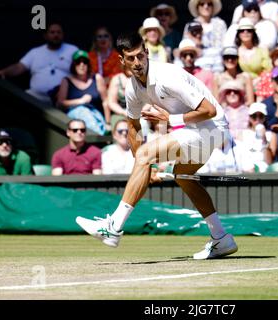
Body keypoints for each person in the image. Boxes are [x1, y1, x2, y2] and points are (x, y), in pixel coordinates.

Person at [75, 32, 238, 260]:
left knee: (147, 154)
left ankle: (113, 227)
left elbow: (209, 110)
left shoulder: (167, 76)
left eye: (140, 56)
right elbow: (133, 127)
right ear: (122, 60)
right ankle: (221, 238)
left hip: (211, 128)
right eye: (130, 58)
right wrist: (144, 168)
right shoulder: (132, 89)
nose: (137, 62)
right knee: (184, 178)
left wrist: (171, 121)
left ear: (147, 52)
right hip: (196, 133)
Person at [0, 23, 78, 103]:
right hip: (34, 98)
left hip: (62, 100)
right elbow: (19, 67)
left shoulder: (72, 50)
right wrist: (3, 72)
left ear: (63, 35)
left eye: (59, 32)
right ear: (45, 35)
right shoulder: (35, 52)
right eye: (52, 32)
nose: (56, 35)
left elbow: (83, 69)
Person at [56, 50, 110, 135]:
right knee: (83, 111)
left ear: (88, 65)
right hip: (75, 113)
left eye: (85, 62)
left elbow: (105, 101)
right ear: (73, 65)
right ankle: (99, 137)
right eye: (78, 62)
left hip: (95, 113)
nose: (82, 65)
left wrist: (108, 123)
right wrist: (80, 101)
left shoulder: (97, 78)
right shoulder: (66, 80)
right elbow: (60, 103)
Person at [184, 0, 227, 73]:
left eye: (209, 4)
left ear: (213, 7)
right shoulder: (190, 25)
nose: (206, 6)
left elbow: (224, 46)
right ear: (197, 7)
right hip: (197, 64)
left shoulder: (220, 24)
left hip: (217, 63)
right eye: (202, 4)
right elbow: (185, 48)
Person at [237, 102, 276, 167]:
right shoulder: (241, 134)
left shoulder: (272, 135)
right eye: (254, 116)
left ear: (264, 118)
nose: (257, 119)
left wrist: (264, 139)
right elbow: (239, 157)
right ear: (250, 118)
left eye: (261, 116)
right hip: (247, 169)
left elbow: (269, 162)